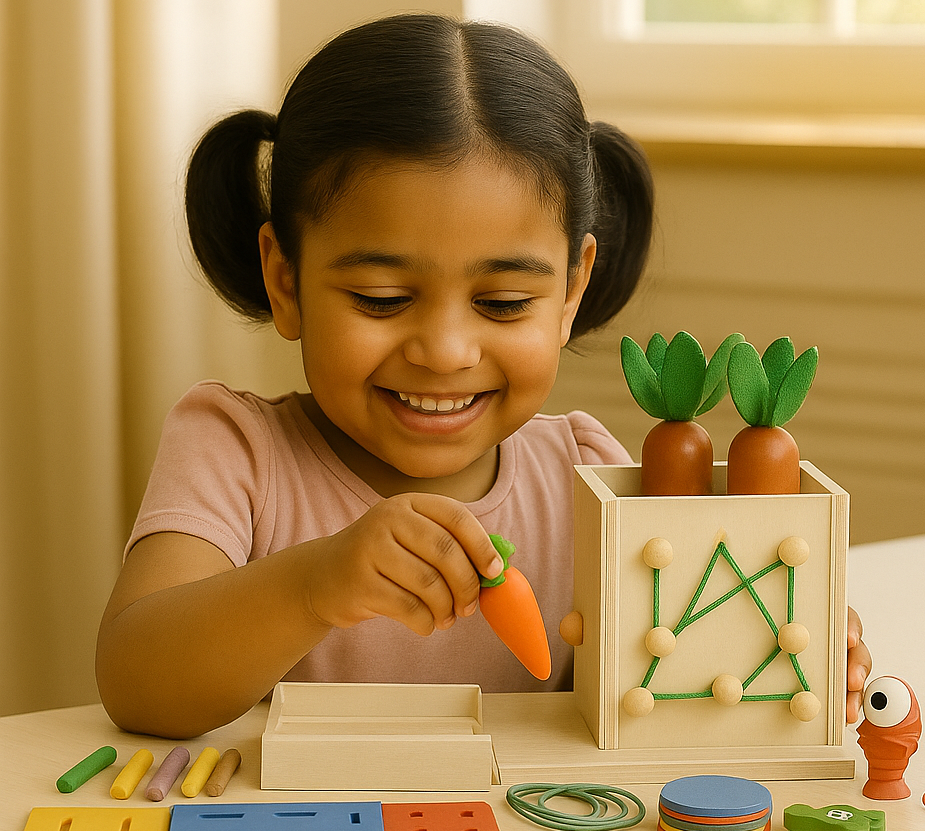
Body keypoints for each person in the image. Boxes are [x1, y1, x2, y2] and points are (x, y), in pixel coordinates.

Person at [96, 14, 870, 740]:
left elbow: (671, 696)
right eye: (382, 298)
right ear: (286, 279)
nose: (444, 350)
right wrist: (313, 584)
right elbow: (134, 678)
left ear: (571, 292)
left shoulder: (588, 474)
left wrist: (776, 647)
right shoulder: (235, 451)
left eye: (502, 303)